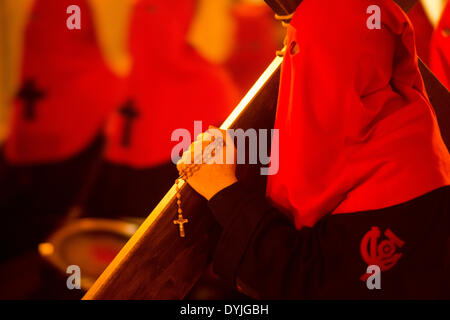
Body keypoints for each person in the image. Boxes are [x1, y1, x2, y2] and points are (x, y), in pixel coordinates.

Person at [178, 0, 450, 299]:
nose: (294, 69)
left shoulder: (407, 165)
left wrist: (222, 190)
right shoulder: (402, 126)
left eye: (300, 52)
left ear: (333, 63)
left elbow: (312, 284)